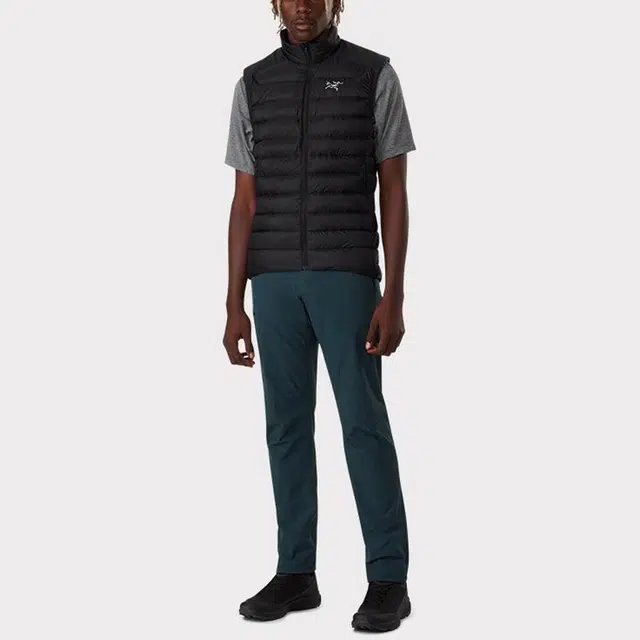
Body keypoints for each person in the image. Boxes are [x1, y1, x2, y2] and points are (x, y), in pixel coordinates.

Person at [223, 0, 416, 632]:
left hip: (346, 277)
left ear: (337, 3)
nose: (302, 6)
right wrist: (233, 302)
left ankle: (388, 578)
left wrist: (394, 294)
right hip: (273, 280)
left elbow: (394, 188)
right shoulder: (254, 82)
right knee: (285, 428)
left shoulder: (373, 75)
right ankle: (296, 574)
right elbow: (244, 200)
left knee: (363, 425)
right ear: (275, 4)